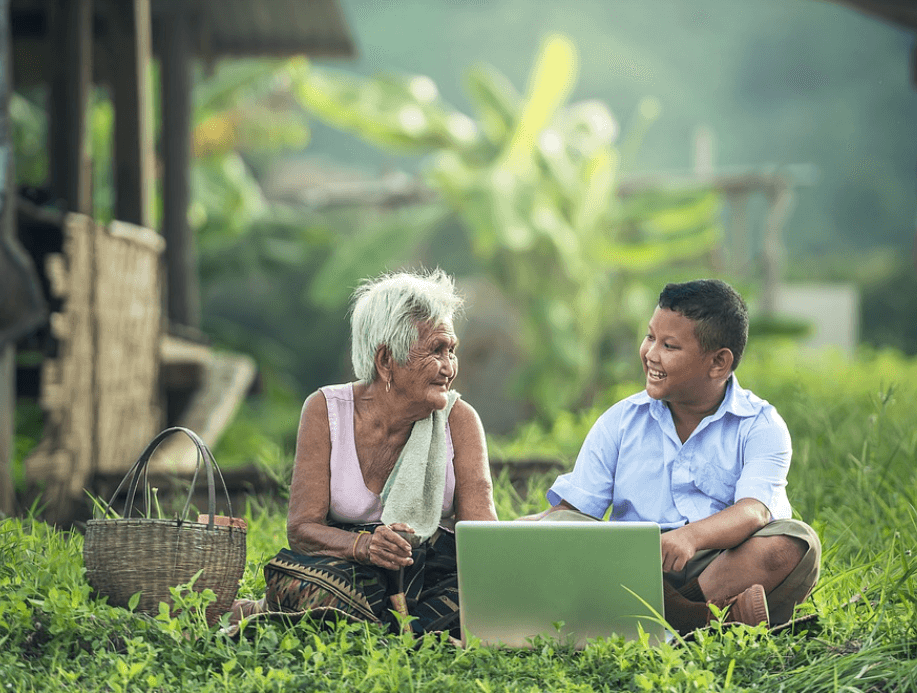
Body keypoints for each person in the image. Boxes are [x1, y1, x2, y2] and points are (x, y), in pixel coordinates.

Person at [525, 279, 820, 634]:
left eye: (669, 345)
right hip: (630, 564)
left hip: (717, 567)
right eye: (650, 337)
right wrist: (520, 530)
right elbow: (573, 511)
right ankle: (699, 620)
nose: (651, 354)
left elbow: (754, 510)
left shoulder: (760, 424)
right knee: (561, 525)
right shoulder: (620, 421)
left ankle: (660, 614)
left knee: (795, 542)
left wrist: (690, 537)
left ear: (718, 362)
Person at [233, 268, 497, 637]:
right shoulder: (325, 411)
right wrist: (365, 545)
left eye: (451, 351)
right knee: (320, 590)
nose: (449, 368)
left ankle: (376, 627)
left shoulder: (460, 421)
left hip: (428, 574)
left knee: (481, 600)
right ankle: (407, 630)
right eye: (436, 351)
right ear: (386, 360)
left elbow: (483, 542)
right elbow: (302, 530)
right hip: (349, 570)